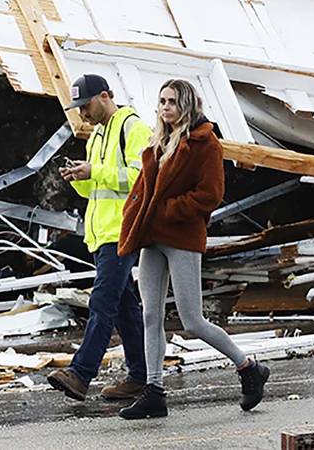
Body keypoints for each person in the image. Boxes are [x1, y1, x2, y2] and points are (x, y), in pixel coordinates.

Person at [117, 78, 270, 420]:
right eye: (162, 101)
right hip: (152, 239)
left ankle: (248, 368)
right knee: (150, 315)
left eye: (171, 101)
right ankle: (154, 391)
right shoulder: (159, 141)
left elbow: (210, 195)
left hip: (182, 238)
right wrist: (136, 216)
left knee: (192, 319)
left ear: (186, 104)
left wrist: (168, 211)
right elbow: (145, 188)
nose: (165, 107)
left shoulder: (205, 143)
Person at [48, 73, 151, 403]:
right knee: (125, 308)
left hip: (122, 231)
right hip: (102, 234)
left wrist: (95, 172)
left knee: (102, 302)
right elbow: (97, 189)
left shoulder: (133, 128)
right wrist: (79, 178)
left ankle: (80, 374)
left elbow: (141, 179)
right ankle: (141, 376)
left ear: (106, 96)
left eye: (86, 105)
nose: (83, 114)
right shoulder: (96, 137)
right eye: (78, 108)